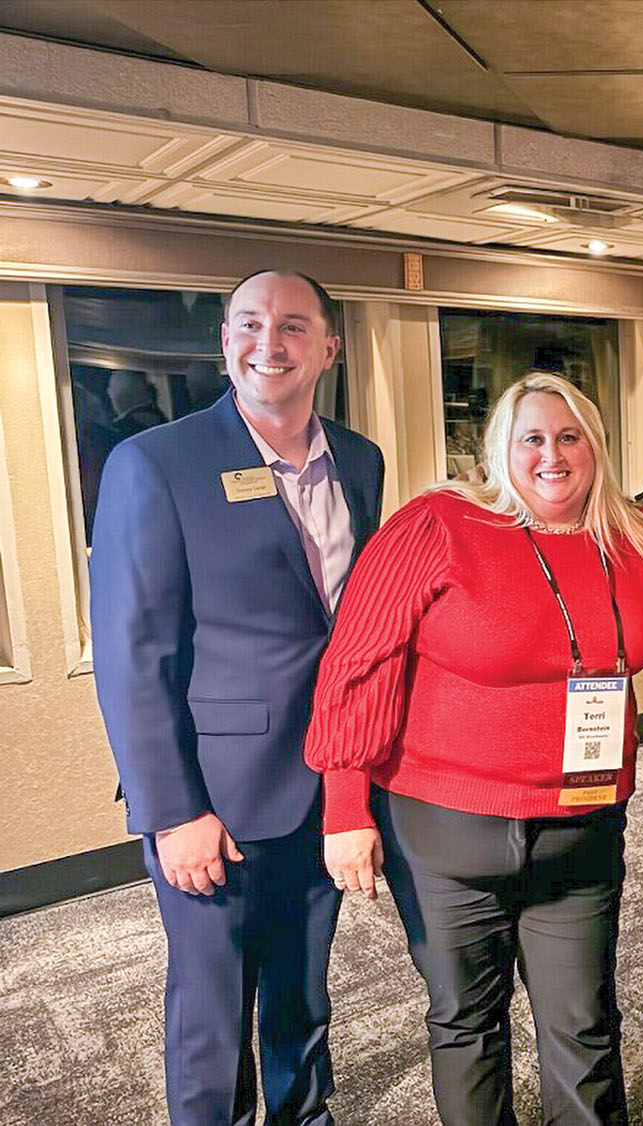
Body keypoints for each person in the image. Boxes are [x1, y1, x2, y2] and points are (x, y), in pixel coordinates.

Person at [304, 372, 643, 1126]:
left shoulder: (632, 537)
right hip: (446, 829)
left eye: (570, 436)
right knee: (467, 1022)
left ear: (596, 447)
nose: (552, 455)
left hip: (582, 822)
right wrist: (344, 806)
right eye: (531, 437)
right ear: (500, 447)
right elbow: (358, 664)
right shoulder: (436, 524)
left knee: (585, 1024)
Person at [90, 269, 385, 1124]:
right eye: (251, 324)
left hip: (324, 785)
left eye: (294, 326)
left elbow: (347, 629)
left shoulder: (357, 461)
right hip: (212, 799)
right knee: (213, 1016)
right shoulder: (156, 462)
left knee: (301, 995)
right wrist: (172, 810)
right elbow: (131, 653)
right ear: (224, 342)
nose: (271, 344)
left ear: (328, 346)